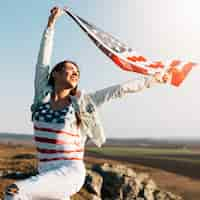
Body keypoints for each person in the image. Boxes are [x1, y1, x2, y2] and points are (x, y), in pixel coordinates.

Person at [4, 7, 170, 200]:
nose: (75, 73)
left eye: (77, 72)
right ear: (55, 74)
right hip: (46, 174)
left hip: (70, 171)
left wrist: (153, 80)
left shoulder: (81, 104)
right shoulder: (40, 101)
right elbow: (42, 62)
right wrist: (51, 25)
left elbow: (118, 91)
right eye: (70, 69)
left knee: (15, 192)